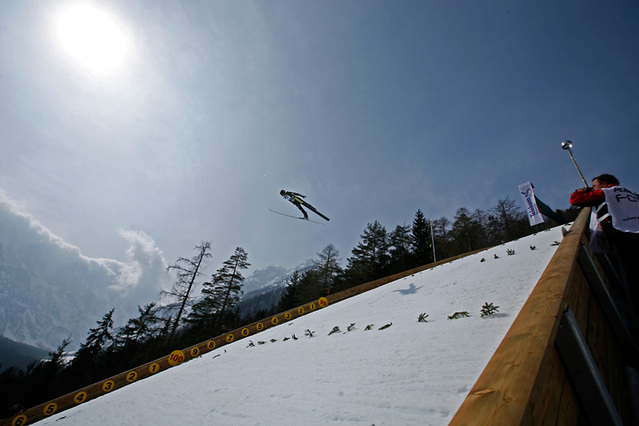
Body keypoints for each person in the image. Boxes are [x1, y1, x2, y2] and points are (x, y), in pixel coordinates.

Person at [570, 174, 639, 313]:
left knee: (632, 275)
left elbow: (575, 200)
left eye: (594, 186)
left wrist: (581, 191)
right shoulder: (629, 193)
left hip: (624, 235)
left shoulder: (606, 192)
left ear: (604, 183)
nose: (593, 189)